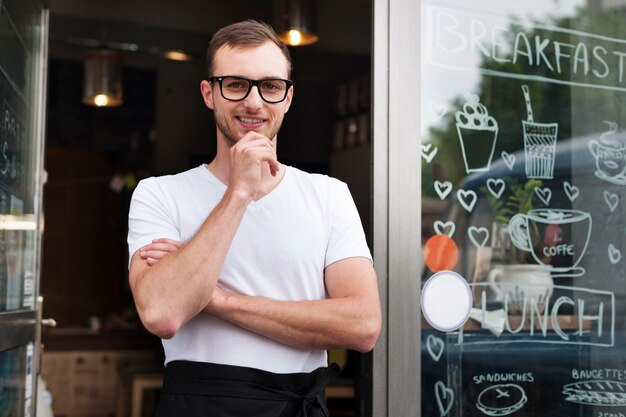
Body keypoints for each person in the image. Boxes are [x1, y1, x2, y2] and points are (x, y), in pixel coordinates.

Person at [127, 19, 381, 417]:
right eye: (235, 84)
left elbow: (363, 324)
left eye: (271, 86)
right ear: (208, 93)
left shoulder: (329, 194)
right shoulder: (159, 194)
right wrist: (239, 193)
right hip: (197, 404)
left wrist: (218, 300)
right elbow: (162, 312)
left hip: (298, 405)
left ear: (288, 98)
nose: (254, 101)